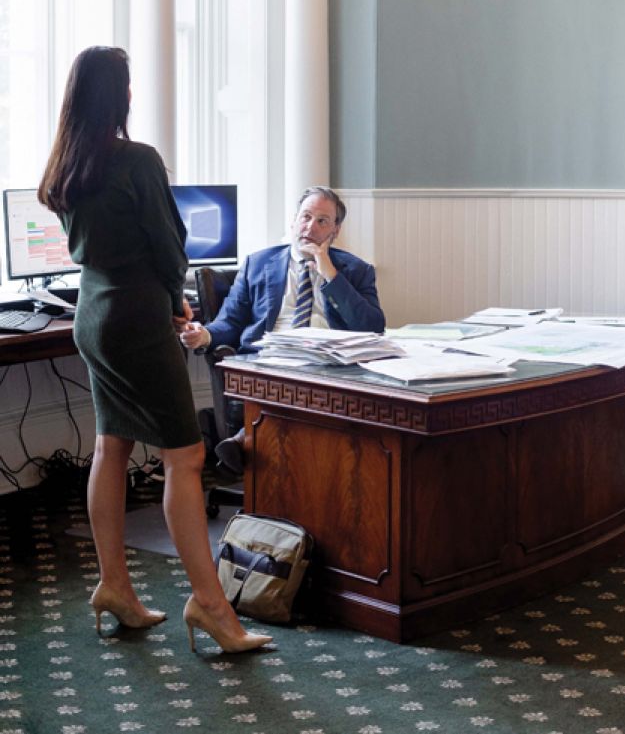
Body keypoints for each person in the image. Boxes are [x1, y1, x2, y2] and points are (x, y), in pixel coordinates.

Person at [38, 46, 271, 655]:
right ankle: (211, 605)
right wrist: (177, 300)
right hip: (139, 315)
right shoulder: (136, 159)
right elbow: (169, 243)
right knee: (186, 457)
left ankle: (115, 586)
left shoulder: (66, 164)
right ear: (120, 94)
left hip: (93, 312)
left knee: (111, 446)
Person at [180, 186, 385, 474]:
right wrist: (204, 335)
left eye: (322, 221)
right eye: (306, 217)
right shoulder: (258, 263)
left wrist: (330, 273)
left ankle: (245, 440)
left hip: (332, 364)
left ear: (335, 230)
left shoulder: (356, 270)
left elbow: (372, 327)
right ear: (294, 220)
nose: (310, 227)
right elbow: (231, 321)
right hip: (271, 358)